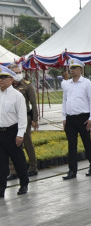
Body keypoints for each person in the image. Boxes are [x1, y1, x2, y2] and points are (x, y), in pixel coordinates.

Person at [62, 58, 91, 180]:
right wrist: (64, 117)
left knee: (87, 142)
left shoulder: (86, 83)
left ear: (80, 69)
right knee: (71, 145)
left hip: (83, 117)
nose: (71, 70)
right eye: (70, 68)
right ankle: (72, 170)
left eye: (74, 68)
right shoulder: (67, 84)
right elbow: (64, 101)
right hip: (70, 118)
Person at [0, 66, 29, 197]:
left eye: (4, 78)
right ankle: (1, 189)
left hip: (12, 132)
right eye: (0, 78)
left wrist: (20, 134)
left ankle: (24, 183)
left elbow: (22, 116)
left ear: (11, 79)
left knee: (18, 160)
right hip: (0, 132)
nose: (1, 80)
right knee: (1, 163)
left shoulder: (17, 95)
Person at [7, 64, 39, 181]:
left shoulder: (27, 85)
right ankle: (13, 170)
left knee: (27, 142)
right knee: (11, 144)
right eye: (15, 72)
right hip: (10, 120)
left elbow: (33, 103)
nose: (18, 74)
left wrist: (35, 119)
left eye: (19, 72)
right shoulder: (6, 87)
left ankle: (33, 167)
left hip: (25, 119)